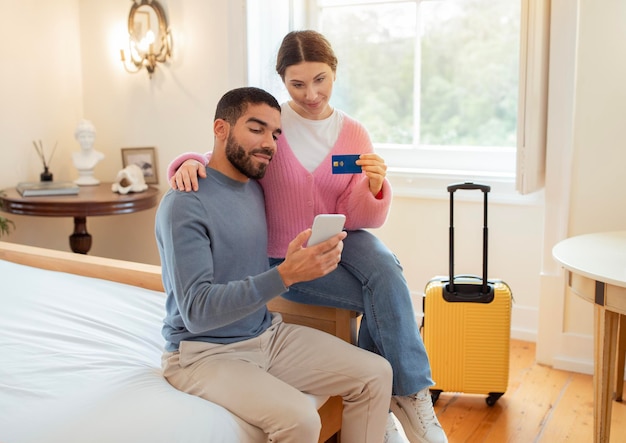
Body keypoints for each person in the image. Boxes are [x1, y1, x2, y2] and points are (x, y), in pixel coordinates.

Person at [168, 31, 447, 443]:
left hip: (342, 236)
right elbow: (229, 158)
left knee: (387, 272)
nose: (311, 94)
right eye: (297, 84)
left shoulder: (353, 134)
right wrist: (186, 161)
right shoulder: (273, 126)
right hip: (283, 254)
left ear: (334, 71)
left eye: (320, 79)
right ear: (282, 81)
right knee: (385, 300)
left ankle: (408, 393)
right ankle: (390, 400)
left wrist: (373, 187)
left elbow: (360, 216)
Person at [155, 86, 393, 443]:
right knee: (301, 419)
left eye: (275, 133)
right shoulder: (184, 204)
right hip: (202, 354)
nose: (269, 143)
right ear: (221, 129)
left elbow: (316, 182)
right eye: (256, 129)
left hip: (265, 335)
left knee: (376, 374)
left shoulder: (256, 185)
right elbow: (196, 311)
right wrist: (286, 274)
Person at [72, 119, 104, 186]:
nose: (86, 140)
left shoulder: (99, 156)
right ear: (77, 138)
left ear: (94, 138)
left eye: (90, 137)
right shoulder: (74, 156)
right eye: (82, 137)